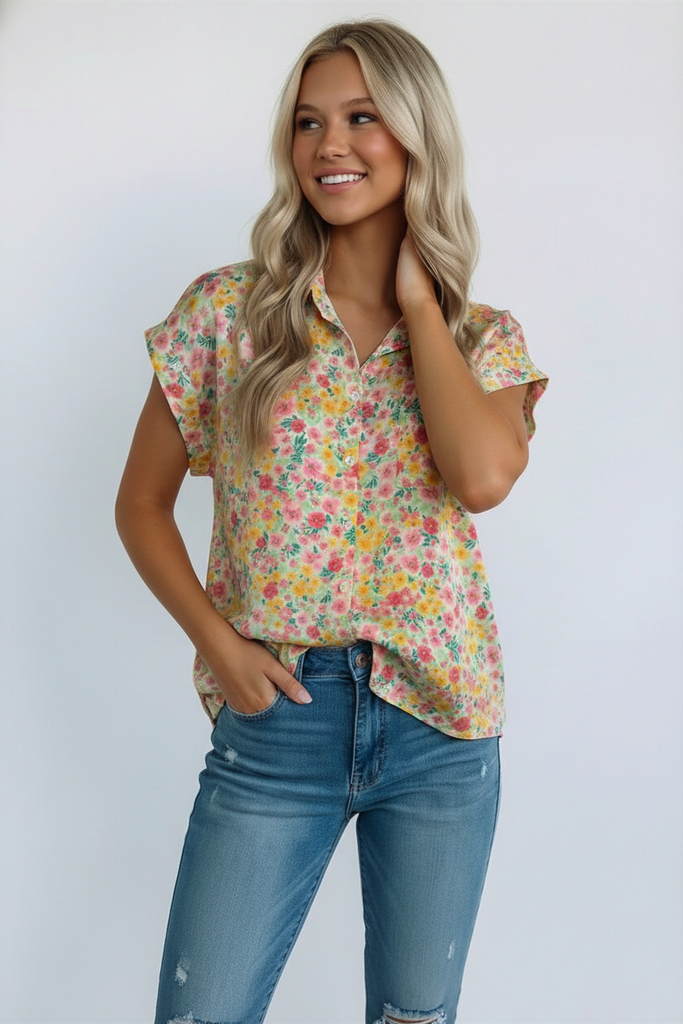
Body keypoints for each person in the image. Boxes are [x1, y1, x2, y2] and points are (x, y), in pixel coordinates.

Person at [115, 18, 547, 1024]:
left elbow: (481, 477)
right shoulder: (226, 316)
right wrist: (219, 647)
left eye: (361, 118)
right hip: (280, 721)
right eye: (308, 122)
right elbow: (139, 504)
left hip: (440, 726)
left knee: (412, 1019)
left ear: (416, 136)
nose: (328, 145)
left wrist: (418, 304)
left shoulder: (482, 338)